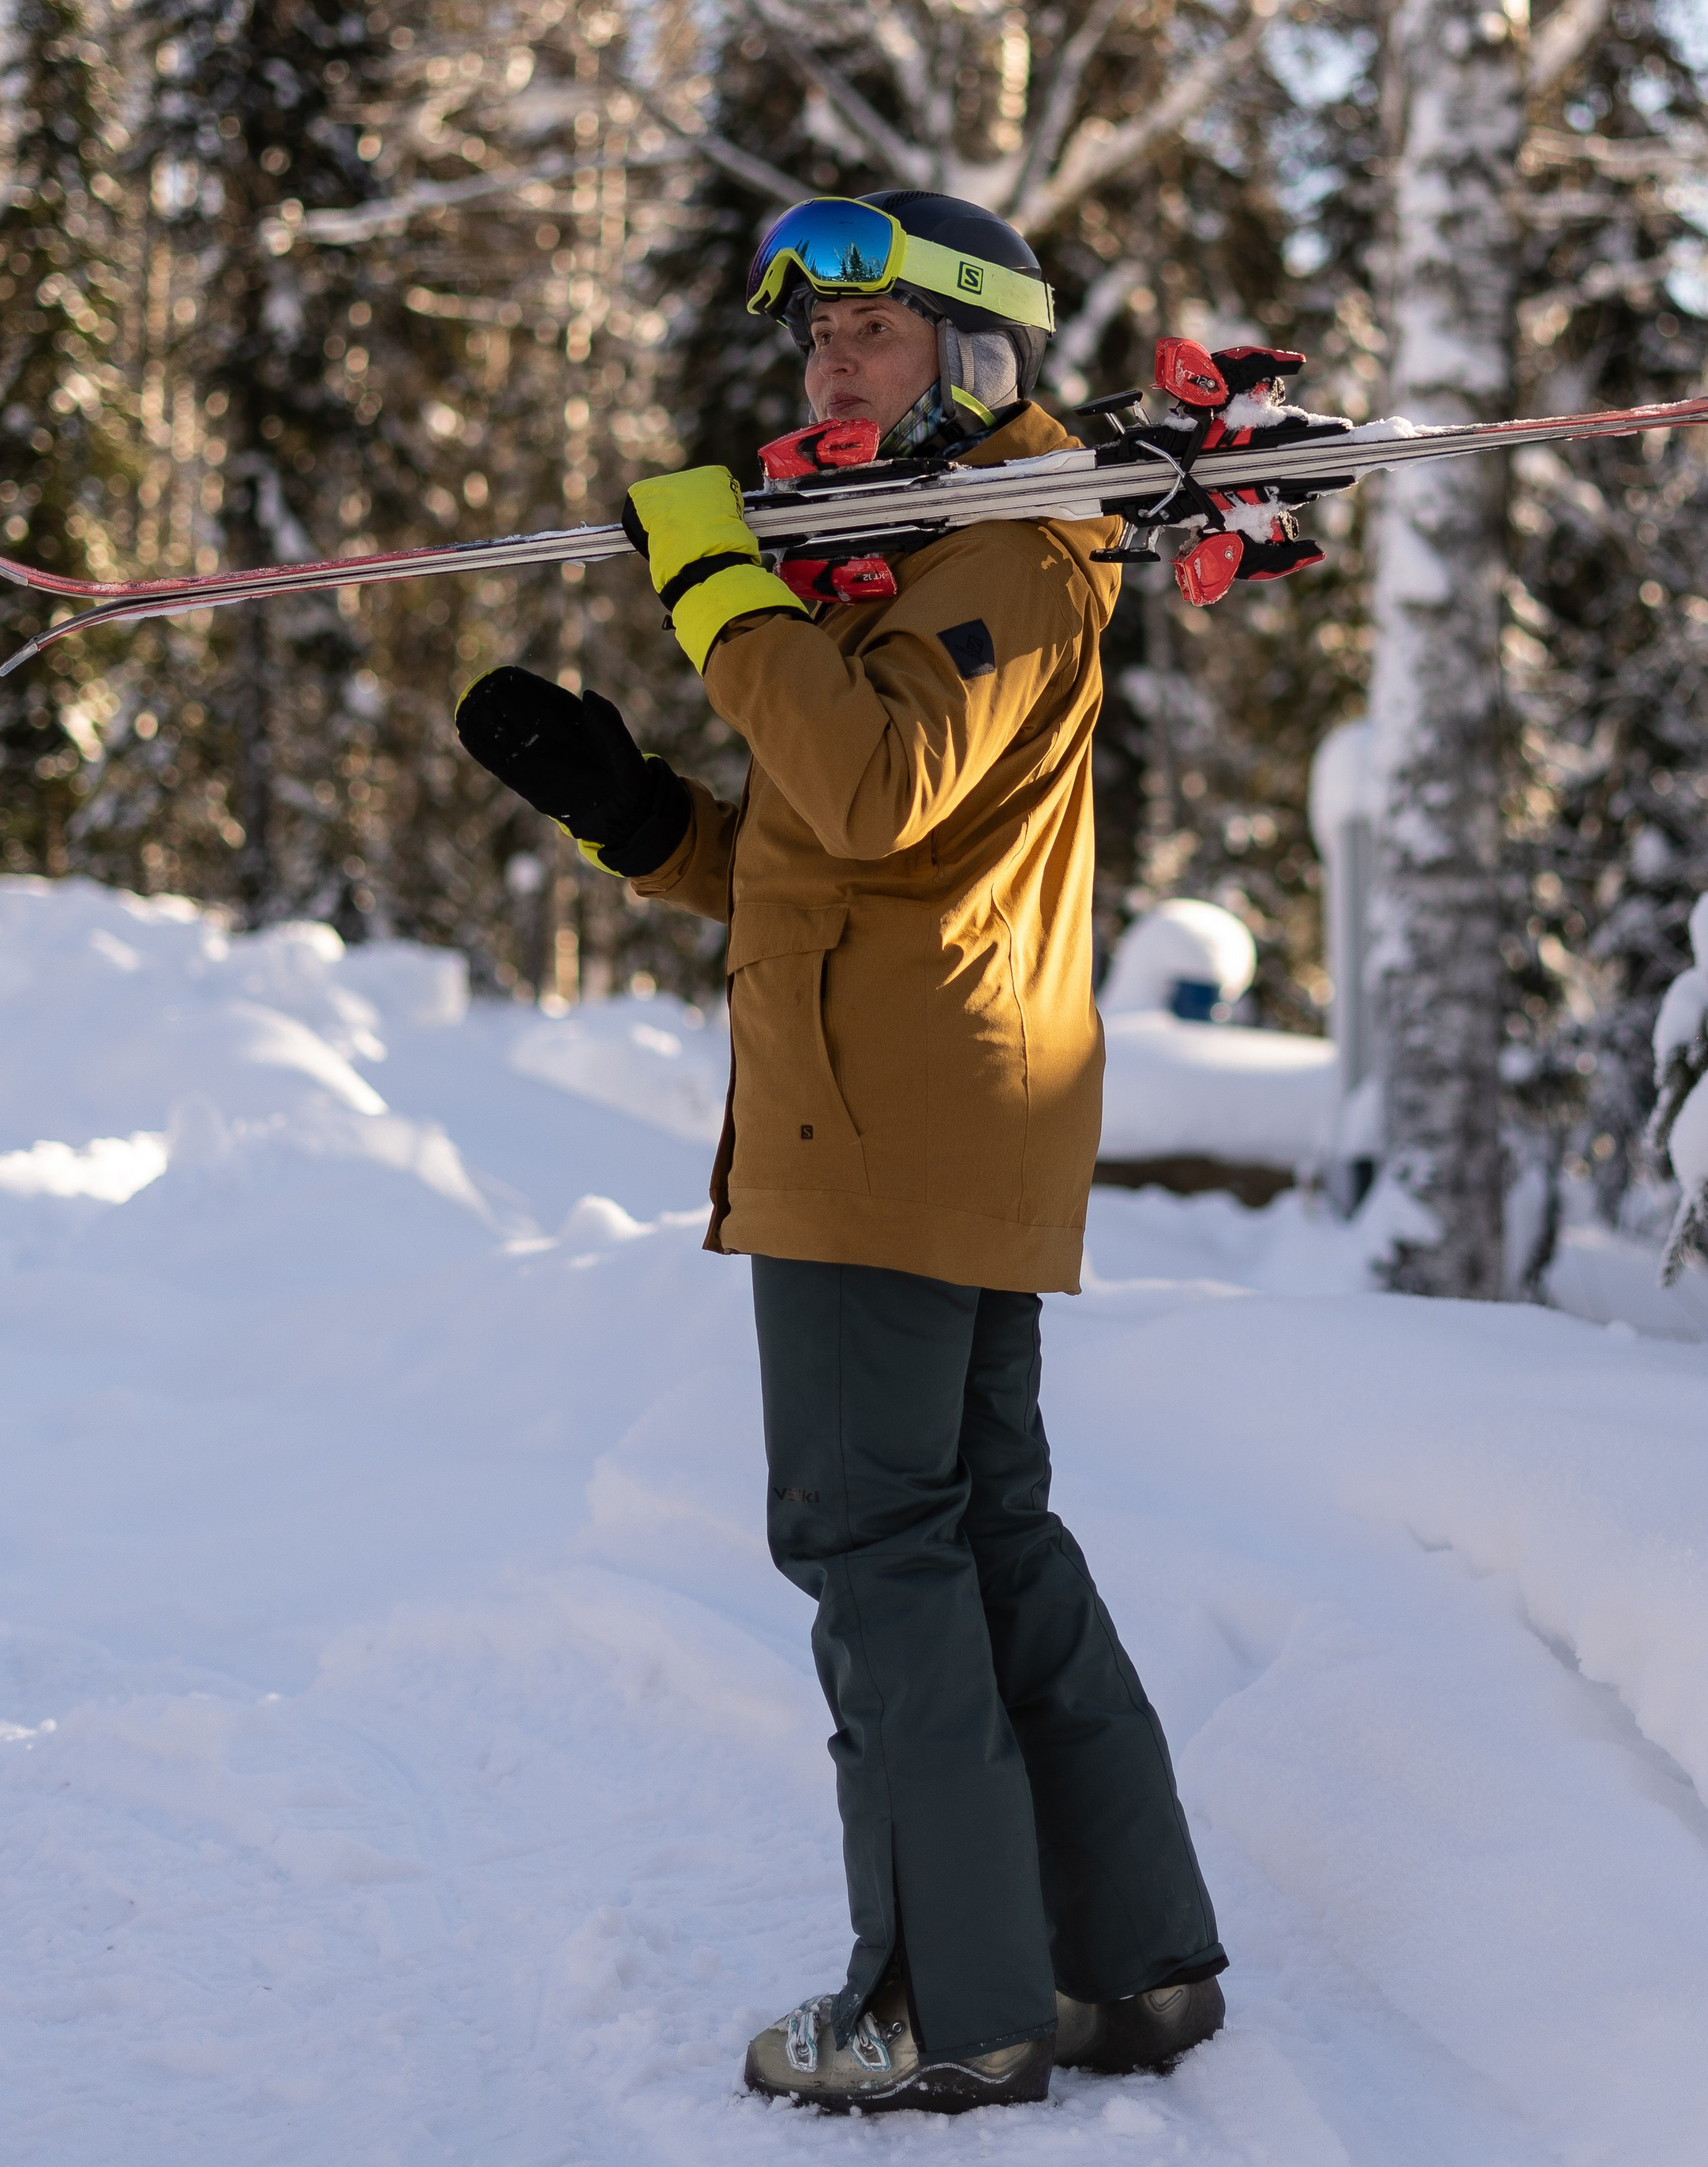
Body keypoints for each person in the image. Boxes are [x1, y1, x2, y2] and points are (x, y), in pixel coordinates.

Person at [455, 190, 1227, 2114]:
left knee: (875, 1541)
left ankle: (943, 2006)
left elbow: (874, 789)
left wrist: (717, 593)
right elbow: (819, 850)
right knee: (978, 1528)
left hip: (894, 1118)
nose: (824, 366)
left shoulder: (1011, 544)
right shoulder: (934, 558)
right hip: (909, 1096)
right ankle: (1122, 1966)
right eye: (810, 341)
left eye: (865, 331)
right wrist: (630, 806)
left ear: (975, 353)